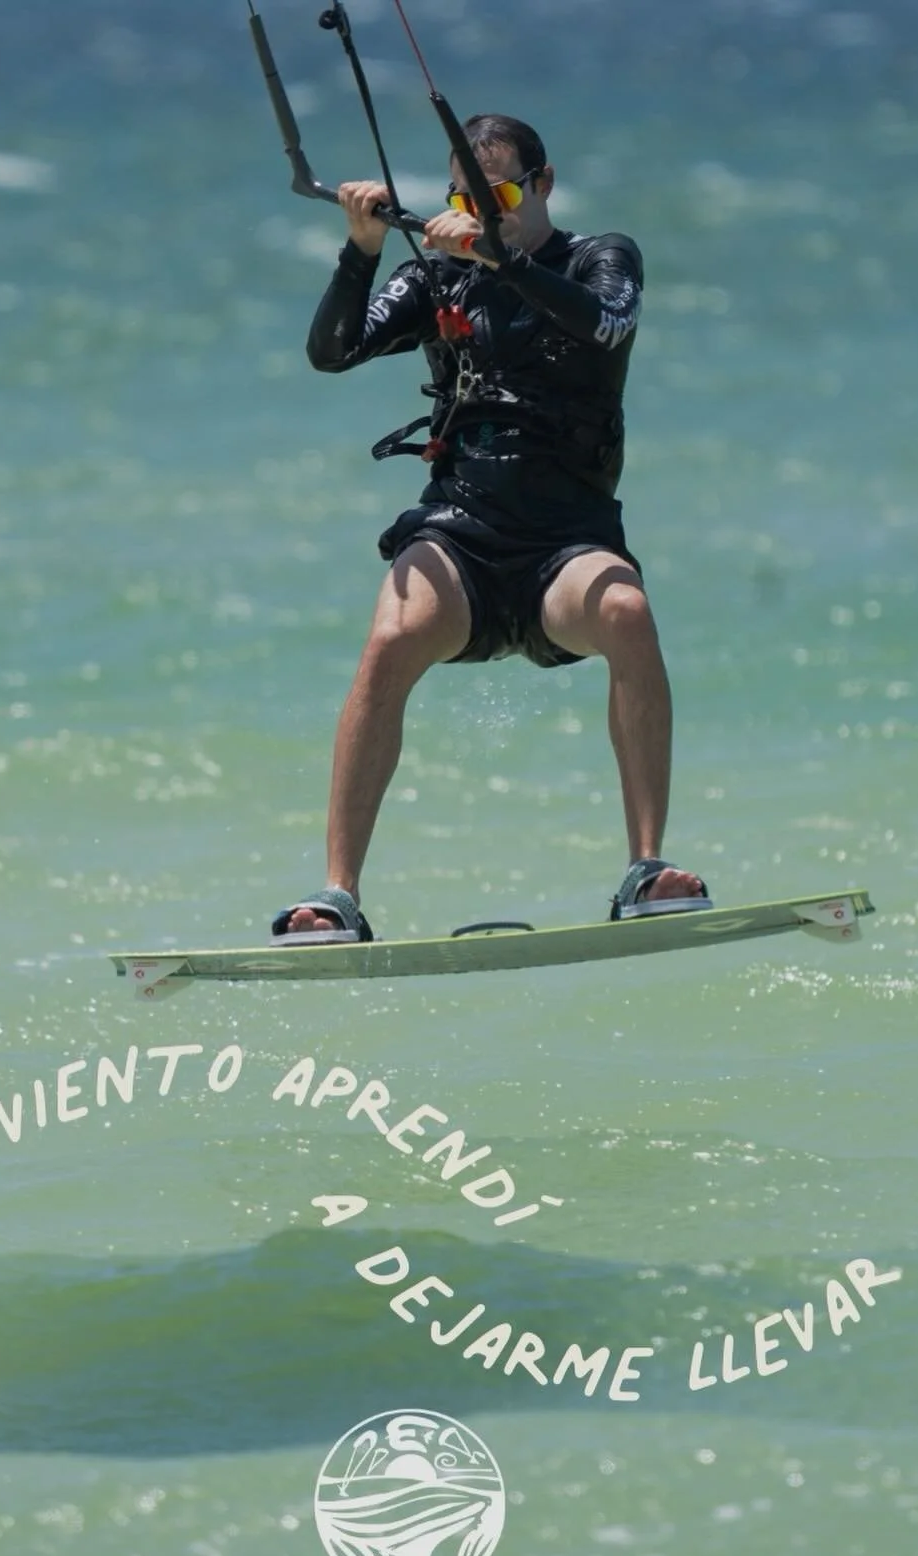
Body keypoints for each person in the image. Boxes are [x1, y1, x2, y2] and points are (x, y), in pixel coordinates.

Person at [271, 113, 709, 945]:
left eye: (499, 193)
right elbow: (333, 351)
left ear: (542, 184)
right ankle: (337, 894)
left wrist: (498, 258)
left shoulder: (598, 258)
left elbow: (604, 322)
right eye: (465, 197)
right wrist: (361, 250)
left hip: (566, 543)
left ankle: (646, 869)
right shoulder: (440, 277)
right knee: (391, 634)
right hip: (462, 532)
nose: (481, 210)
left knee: (627, 613)